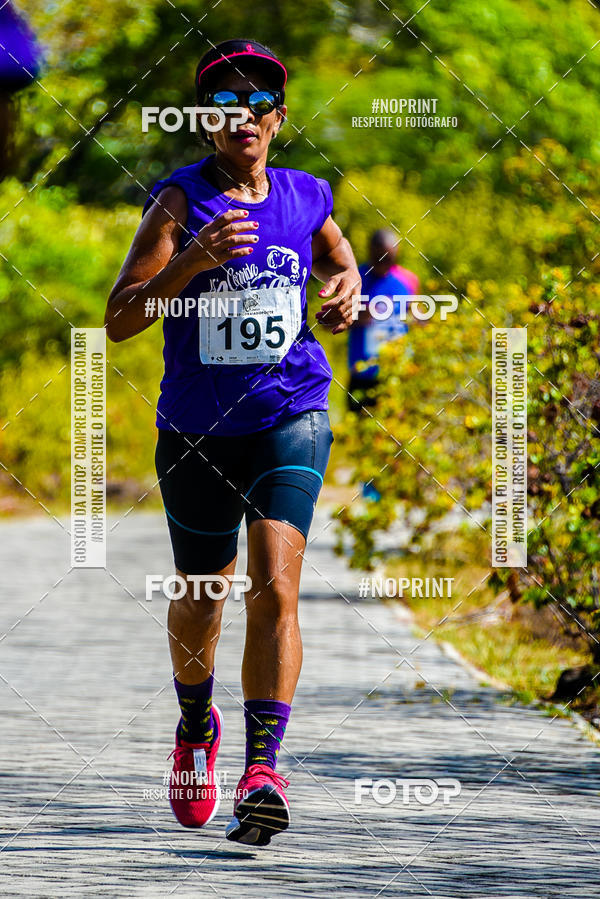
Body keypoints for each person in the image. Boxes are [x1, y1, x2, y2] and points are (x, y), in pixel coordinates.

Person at [105, 39, 360, 846]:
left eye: (257, 105)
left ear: (277, 121)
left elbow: (335, 256)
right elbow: (120, 319)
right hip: (195, 427)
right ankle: (193, 725)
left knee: (276, 588)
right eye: (225, 106)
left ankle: (263, 768)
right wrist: (190, 266)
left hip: (293, 411)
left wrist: (344, 290)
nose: (242, 117)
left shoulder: (307, 192)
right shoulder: (177, 202)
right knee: (202, 593)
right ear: (208, 124)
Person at [347, 229, 419, 412]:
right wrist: (357, 318)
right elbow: (329, 323)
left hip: (396, 375)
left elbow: (418, 319)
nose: (384, 263)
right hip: (362, 375)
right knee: (359, 435)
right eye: (379, 257)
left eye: (389, 258)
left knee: (395, 435)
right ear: (370, 251)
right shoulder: (355, 278)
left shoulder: (408, 280)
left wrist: (418, 319)